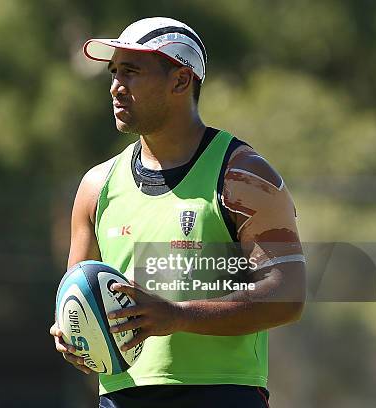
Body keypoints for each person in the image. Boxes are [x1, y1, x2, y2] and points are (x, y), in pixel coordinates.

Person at [49, 17, 306, 407]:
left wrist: (178, 315)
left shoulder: (243, 175)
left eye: (132, 72)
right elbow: (77, 295)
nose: (117, 86)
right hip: (122, 396)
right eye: (114, 72)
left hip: (222, 393)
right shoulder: (95, 187)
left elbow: (288, 293)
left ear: (181, 81)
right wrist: (71, 334)